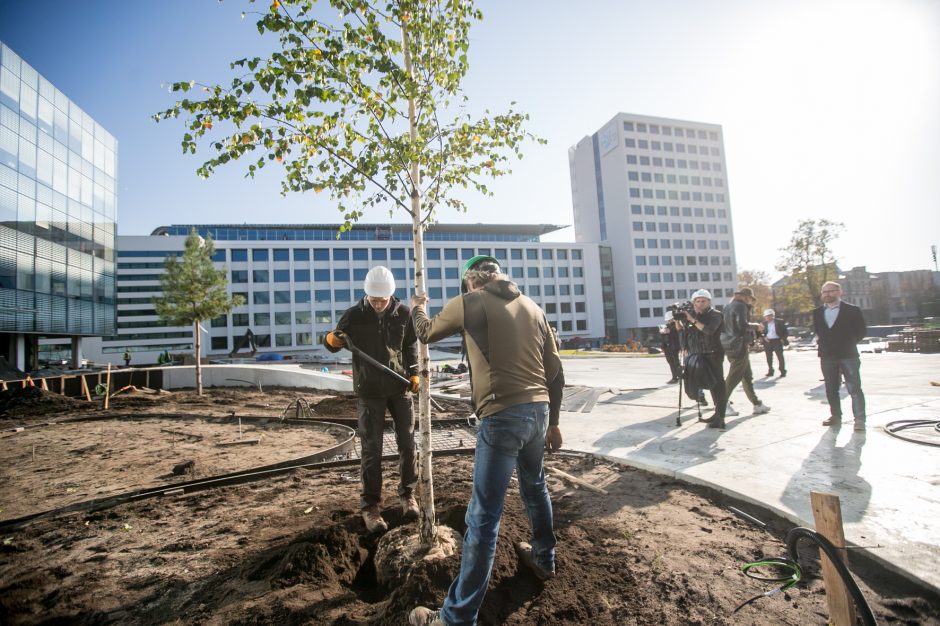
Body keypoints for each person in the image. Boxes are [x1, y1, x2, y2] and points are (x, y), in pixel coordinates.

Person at [408, 255, 565, 626]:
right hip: (538, 412)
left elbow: (426, 332)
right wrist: (554, 422)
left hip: (501, 416)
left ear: (471, 283)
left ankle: (455, 618)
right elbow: (555, 371)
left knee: (482, 519)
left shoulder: (470, 302)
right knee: (535, 486)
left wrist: (416, 308)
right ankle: (544, 559)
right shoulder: (533, 307)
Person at [324, 265, 420, 533]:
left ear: (391, 295)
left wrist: (414, 373)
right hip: (369, 391)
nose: (378, 304)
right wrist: (331, 340)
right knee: (371, 450)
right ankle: (370, 507)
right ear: (366, 295)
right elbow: (334, 342)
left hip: (399, 388)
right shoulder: (354, 315)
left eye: (383, 300)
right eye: (374, 300)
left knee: (408, 443)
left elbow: (410, 345)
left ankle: (407, 495)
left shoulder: (403, 314)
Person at [813, 281, 867, 431]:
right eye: (824, 292)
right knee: (831, 388)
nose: (827, 294)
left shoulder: (852, 310)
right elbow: (819, 330)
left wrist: (848, 343)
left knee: (854, 388)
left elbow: (861, 331)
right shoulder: (817, 312)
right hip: (827, 356)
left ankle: (860, 419)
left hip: (848, 355)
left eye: (830, 291)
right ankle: (836, 416)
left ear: (839, 292)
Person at [720, 288, 771, 418]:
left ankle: (756, 403)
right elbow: (742, 325)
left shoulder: (728, 306)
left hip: (728, 344)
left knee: (747, 375)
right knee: (735, 376)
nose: (750, 301)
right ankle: (721, 404)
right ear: (745, 297)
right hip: (738, 345)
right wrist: (756, 326)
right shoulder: (741, 306)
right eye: (750, 299)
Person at [679, 289, 727, 428]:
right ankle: (716, 414)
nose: (700, 304)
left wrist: (692, 320)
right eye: (697, 301)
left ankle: (721, 416)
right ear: (694, 302)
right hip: (700, 354)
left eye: (703, 301)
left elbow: (708, 330)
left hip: (714, 353)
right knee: (710, 384)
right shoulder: (694, 316)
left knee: (718, 385)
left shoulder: (716, 315)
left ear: (709, 302)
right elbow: (686, 333)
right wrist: (680, 321)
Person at [761, 309, 789, 377]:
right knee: (769, 357)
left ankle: (782, 371)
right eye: (766, 316)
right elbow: (761, 333)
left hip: (777, 341)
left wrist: (783, 339)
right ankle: (770, 371)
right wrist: (764, 337)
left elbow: (785, 332)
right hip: (768, 342)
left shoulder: (779, 322)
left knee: (780, 357)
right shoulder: (764, 323)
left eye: (769, 316)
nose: (768, 317)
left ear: (773, 315)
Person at [659, 313, 682, 384]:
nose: (669, 321)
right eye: (668, 320)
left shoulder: (676, 325)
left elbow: (678, 333)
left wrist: (670, 331)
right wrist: (662, 346)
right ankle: (675, 377)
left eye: (670, 320)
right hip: (667, 347)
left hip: (674, 347)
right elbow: (663, 337)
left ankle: (678, 377)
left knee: (675, 362)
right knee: (671, 362)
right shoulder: (666, 326)